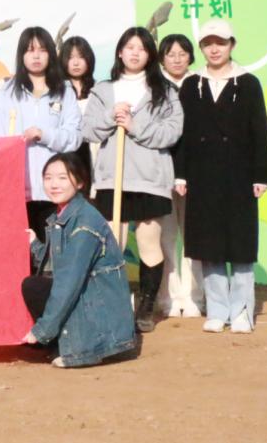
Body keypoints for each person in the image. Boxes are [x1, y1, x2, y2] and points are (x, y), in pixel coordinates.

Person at [174, 20, 267, 334]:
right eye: (208, 43)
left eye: (220, 42)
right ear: (201, 48)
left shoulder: (248, 83)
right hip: (203, 176)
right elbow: (183, 134)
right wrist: (181, 174)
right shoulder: (191, 85)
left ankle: (242, 311)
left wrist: (262, 175)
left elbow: (260, 130)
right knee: (209, 245)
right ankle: (217, 310)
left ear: (232, 44)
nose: (214, 49)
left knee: (241, 245)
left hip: (240, 175)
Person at [82, 27, 183, 333]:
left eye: (141, 48)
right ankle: (114, 304)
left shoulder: (165, 91)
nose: (135, 53)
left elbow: (172, 132)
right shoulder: (103, 90)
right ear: (120, 52)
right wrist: (111, 117)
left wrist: (135, 125)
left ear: (149, 54)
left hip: (149, 179)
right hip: (112, 180)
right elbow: (88, 130)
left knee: (149, 242)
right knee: (113, 244)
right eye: (129, 47)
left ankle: (146, 307)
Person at [21, 152, 136, 368]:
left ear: (80, 182)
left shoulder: (85, 223)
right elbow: (59, 263)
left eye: (62, 178)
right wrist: (35, 244)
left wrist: (42, 330)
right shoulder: (62, 216)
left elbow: (68, 282)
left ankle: (75, 349)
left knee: (42, 287)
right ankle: (57, 343)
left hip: (97, 308)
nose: (54, 184)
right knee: (34, 285)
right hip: (88, 295)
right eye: (48, 178)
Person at [0, 27, 81, 242]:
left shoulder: (64, 91)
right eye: (30, 50)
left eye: (42, 50)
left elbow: (74, 138)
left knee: (54, 250)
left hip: (54, 190)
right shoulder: (7, 93)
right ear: (21, 55)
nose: (36, 56)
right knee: (21, 251)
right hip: (17, 190)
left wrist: (44, 135)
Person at [156, 33, 205, 318]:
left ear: (190, 57)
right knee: (165, 237)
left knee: (194, 236)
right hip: (161, 169)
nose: (176, 59)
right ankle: (169, 298)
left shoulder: (200, 83)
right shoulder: (154, 85)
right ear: (161, 58)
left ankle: (195, 296)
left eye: (182, 53)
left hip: (196, 171)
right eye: (170, 54)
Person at [60, 36, 96, 180]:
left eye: (81, 57)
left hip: (93, 152)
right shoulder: (57, 92)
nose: (76, 63)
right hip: (67, 152)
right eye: (70, 57)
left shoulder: (98, 89)